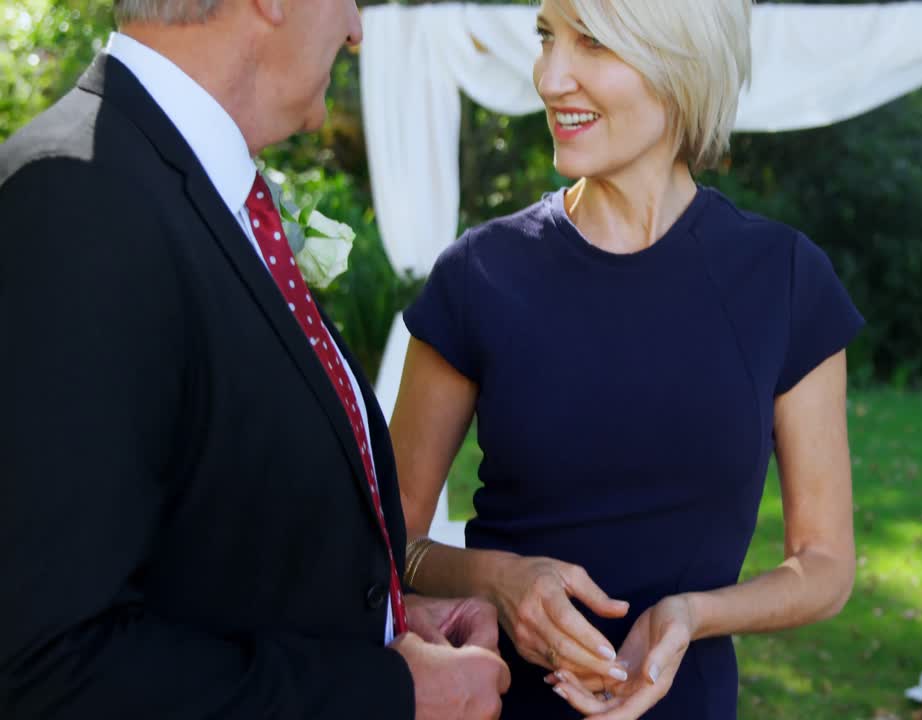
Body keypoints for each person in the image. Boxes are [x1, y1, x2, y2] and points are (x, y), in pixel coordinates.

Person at [0, 1, 509, 718]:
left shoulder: (192, 191)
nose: (356, 29)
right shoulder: (72, 198)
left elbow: (218, 532)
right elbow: (48, 667)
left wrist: (388, 624)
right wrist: (390, 694)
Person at [389, 0, 865, 717]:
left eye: (594, 45)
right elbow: (388, 537)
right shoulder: (479, 276)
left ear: (681, 63)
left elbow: (826, 565)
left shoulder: (785, 279)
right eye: (547, 37)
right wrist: (498, 580)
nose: (550, 78)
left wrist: (693, 615)